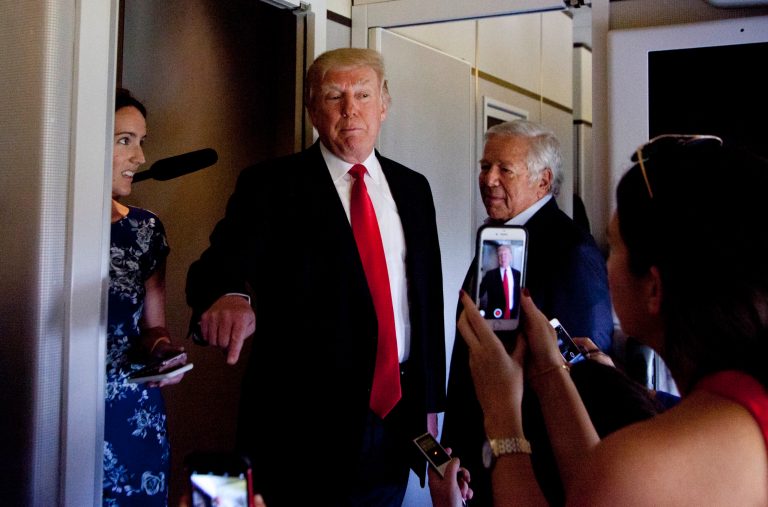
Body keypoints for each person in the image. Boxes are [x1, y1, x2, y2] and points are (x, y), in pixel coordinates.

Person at [435, 136, 768, 505]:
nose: (604, 263)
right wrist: (550, 370)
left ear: (654, 288)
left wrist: (503, 419)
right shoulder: (742, 407)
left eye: (613, 246)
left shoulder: (640, 466)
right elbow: (592, 471)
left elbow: (603, 484)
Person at [185, 48, 445, 507]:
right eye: (334, 96)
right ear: (312, 109)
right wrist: (230, 295)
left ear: (384, 104)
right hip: (300, 426)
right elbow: (219, 263)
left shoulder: (413, 188)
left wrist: (431, 407)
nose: (351, 109)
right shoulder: (271, 185)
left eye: (363, 94)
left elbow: (426, 303)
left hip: (396, 420)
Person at [441, 119, 614, 505]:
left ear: (543, 181)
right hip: (479, 463)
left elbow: (581, 382)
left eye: (505, 169)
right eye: (485, 167)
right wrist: (457, 450)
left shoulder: (571, 251)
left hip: (537, 472)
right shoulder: (497, 239)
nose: (489, 179)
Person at [104, 88, 188, 506]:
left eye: (142, 142)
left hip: (130, 418)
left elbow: (153, 327)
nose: (139, 158)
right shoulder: (36, 222)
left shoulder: (145, 231)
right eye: (124, 140)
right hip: (48, 406)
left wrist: (163, 352)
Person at [478, 244, 521, 320]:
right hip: (494, 316)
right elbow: (479, 293)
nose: (503, 257)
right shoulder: (490, 275)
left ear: (511, 257)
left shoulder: (518, 275)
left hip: (514, 316)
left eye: (505, 254)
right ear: (497, 258)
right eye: (500, 255)